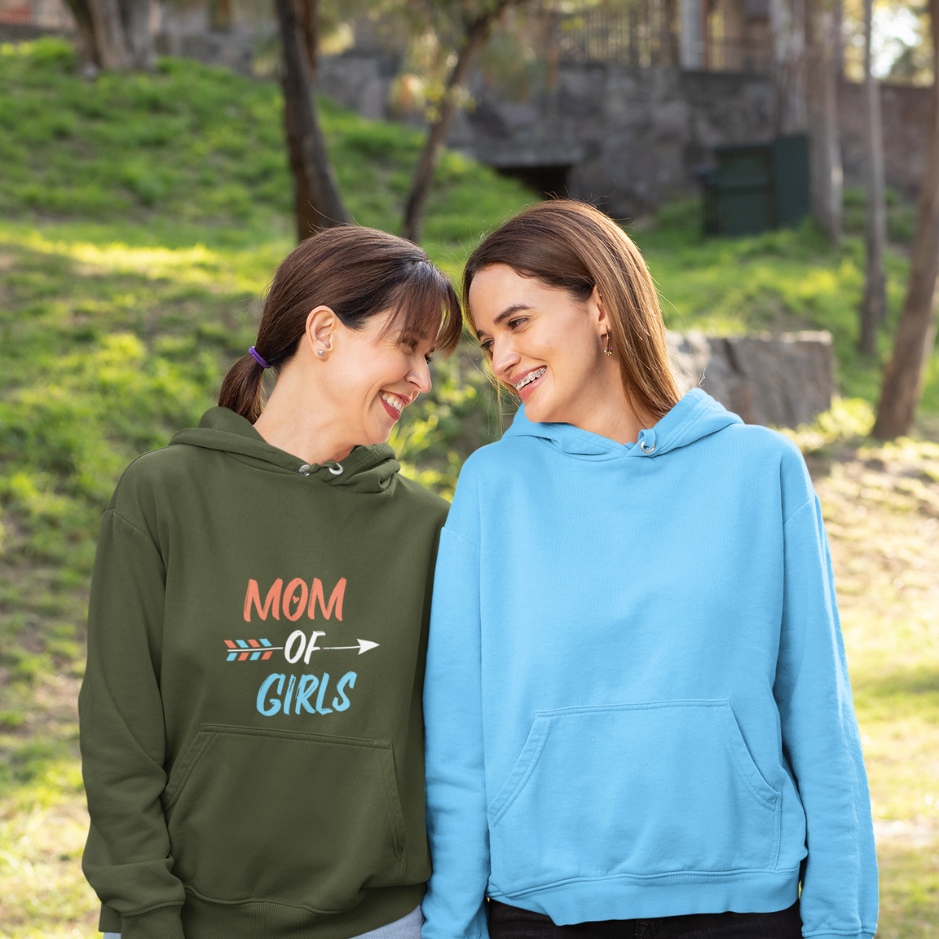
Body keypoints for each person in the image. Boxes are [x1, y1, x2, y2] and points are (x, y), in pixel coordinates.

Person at [421, 200, 878, 939]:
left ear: (599, 305)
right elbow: (456, 735)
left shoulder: (759, 472)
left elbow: (818, 717)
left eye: (517, 322)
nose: (500, 361)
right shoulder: (492, 486)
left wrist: (842, 918)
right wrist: (452, 922)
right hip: (541, 910)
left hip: (741, 907)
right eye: (484, 341)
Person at [79, 226, 463, 939]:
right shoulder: (164, 495)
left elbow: (458, 748)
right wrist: (144, 913)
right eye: (408, 346)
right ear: (323, 331)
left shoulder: (431, 531)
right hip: (185, 919)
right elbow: (118, 733)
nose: (424, 379)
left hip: (376, 922)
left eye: (430, 356)